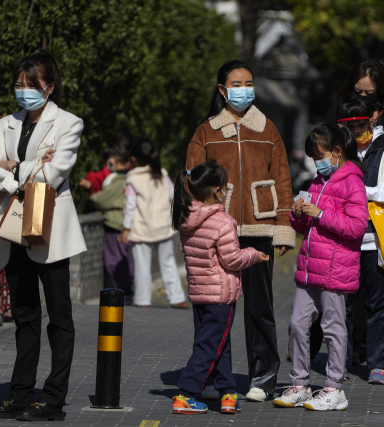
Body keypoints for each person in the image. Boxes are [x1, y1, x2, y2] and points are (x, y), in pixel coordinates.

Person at [0, 50, 86, 421]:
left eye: (31, 85)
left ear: (50, 87)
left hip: (49, 227)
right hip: (13, 224)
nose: (22, 91)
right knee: (23, 315)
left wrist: (11, 167)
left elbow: (52, 176)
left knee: (59, 317)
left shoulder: (69, 123)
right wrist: (23, 170)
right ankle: (20, 395)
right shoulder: (4, 125)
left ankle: (53, 399)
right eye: (18, 85)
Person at [186, 60, 295, 401]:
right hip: (217, 229)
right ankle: (212, 375)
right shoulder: (205, 131)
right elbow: (190, 179)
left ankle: (263, 379)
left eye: (249, 83)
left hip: (258, 227)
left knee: (259, 307)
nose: (244, 89)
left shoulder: (268, 129)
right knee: (214, 307)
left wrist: (283, 228)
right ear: (222, 89)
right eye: (236, 83)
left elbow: (282, 179)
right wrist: (196, 223)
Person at [273, 123, 367, 410]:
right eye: (314, 157)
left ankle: (334, 387)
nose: (318, 162)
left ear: (337, 151)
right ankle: (300, 383)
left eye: (321, 155)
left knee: (333, 329)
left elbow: (357, 227)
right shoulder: (316, 180)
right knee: (297, 325)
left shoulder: (353, 182)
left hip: (336, 270)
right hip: (310, 267)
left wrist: (322, 213)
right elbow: (304, 225)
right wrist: (297, 213)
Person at [170, 162, 268, 415]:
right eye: (224, 187)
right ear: (216, 191)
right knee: (208, 346)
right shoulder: (223, 222)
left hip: (200, 293)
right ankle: (187, 393)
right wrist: (255, 255)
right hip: (220, 296)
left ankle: (227, 392)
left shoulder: (185, 218)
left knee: (217, 343)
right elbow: (232, 259)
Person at [323, 59, 384, 367]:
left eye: (370, 93)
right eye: (358, 91)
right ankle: (344, 350)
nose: (363, 98)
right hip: (342, 220)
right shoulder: (337, 113)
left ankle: (374, 353)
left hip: (377, 225)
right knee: (342, 292)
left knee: (375, 293)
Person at [336, 95, 384, 385]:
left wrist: (360, 192)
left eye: (360, 124)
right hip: (344, 239)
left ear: (374, 118)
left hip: (376, 240)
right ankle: (339, 361)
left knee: (378, 303)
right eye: (350, 125)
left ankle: (378, 362)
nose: (356, 131)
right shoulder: (341, 149)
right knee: (342, 306)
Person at [120, 137, 188, 308]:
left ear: (133, 159)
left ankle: (142, 299)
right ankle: (177, 298)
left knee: (142, 266)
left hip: (141, 229)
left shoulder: (132, 179)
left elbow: (130, 206)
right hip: (163, 227)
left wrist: (126, 228)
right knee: (168, 262)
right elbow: (173, 197)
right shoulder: (162, 174)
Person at [89, 141, 134, 304]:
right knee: (128, 261)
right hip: (131, 227)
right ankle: (129, 293)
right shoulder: (133, 176)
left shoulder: (114, 179)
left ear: (113, 160)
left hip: (115, 226)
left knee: (114, 263)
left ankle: (121, 296)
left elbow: (101, 200)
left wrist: (93, 196)